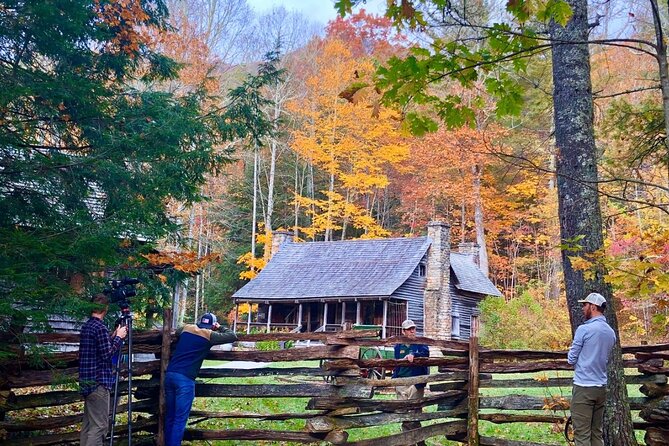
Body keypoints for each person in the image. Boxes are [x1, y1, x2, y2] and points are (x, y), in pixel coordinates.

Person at [164, 312, 238, 446]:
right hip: (185, 379)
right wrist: (220, 327)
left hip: (170, 375)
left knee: (170, 416)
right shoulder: (210, 335)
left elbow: (177, 332)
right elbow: (232, 336)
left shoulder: (187, 328)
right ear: (212, 325)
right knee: (179, 419)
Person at [567, 292, 616, 446]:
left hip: (584, 387)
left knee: (582, 435)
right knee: (596, 433)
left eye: (585, 305)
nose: (583, 308)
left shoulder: (584, 330)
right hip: (600, 387)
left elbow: (571, 359)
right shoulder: (610, 332)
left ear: (593, 307)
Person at [79, 293, 128, 446]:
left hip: (87, 381)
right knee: (99, 426)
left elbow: (99, 350)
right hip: (99, 383)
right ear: (105, 308)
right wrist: (119, 337)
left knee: (88, 425)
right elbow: (107, 354)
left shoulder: (87, 326)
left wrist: (112, 337)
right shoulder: (100, 327)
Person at [392, 319, 429, 445]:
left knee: (414, 414)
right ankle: (409, 442)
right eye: (409, 329)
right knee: (403, 413)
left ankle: (419, 441)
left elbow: (426, 353)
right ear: (403, 331)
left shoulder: (420, 343)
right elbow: (396, 364)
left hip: (415, 383)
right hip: (401, 382)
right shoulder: (398, 346)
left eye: (413, 328)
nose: (412, 331)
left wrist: (414, 354)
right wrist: (394, 381)